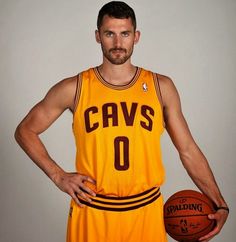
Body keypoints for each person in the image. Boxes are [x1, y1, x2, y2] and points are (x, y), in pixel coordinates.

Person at [15, 1, 229, 242]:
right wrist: (58, 176)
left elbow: (187, 150)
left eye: (125, 34)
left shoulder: (161, 87)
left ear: (136, 36)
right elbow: (25, 130)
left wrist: (220, 204)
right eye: (110, 34)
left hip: (145, 212)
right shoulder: (74, 88)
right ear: (98, 36)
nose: (118, 43)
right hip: (92, 212)